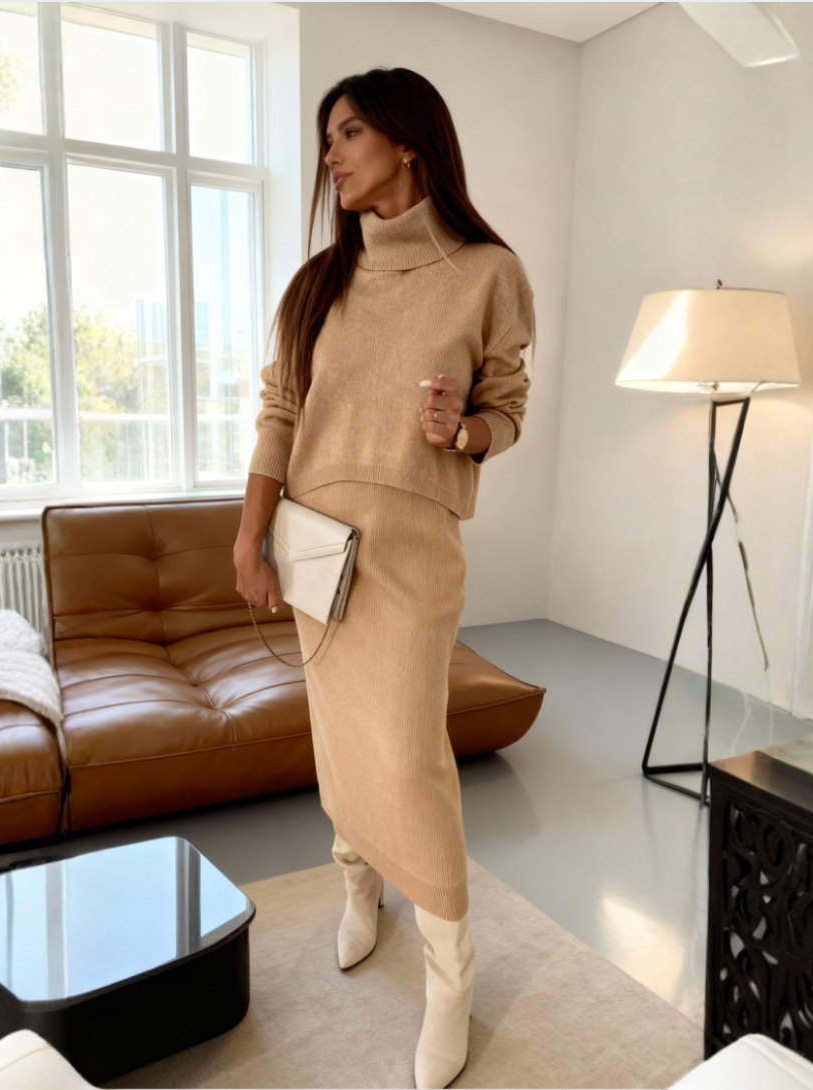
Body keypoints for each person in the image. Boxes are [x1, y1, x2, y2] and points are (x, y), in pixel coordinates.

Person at [234, 67, 534, 1090]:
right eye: (327, 137)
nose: (331, 155)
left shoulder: (487, 272)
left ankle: (451, 971)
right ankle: (357, 884)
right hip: (315, 547)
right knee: (342, 740)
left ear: (408, 139)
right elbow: (280, 413)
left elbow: (509, 409)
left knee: (408, 756)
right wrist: (250, 534)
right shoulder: (316, 285)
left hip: (412, 552)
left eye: (349, 132)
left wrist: (464, 429)